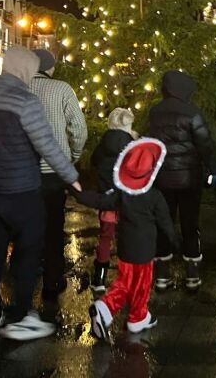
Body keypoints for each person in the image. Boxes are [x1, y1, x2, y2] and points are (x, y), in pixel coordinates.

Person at [0, 45, 82, 342]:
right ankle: (20, 315)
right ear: (23, 69)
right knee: (30, 251)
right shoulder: (24, 100)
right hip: (23, 189)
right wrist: (72, 176)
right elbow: (46, 145)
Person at [79, 137, 177, 341]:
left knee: (125, 281)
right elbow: (165, 222)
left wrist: (76, 192)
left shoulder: (121, 194)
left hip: (125, 247)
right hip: (144, 250)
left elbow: (100, 200)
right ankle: (137, 316)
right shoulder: (155, 196)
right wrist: (174, 240)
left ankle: (105, 309)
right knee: (141, 285)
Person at [149, 70, 216, 291]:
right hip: (189, 178)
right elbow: (205, 145)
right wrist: (212, 168)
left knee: (164, 222)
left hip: (162, 178)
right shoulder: (192, 113)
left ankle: (162, 274)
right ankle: (192, 274)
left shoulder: (155, 112)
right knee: (190, 223)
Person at [29, 49, 89, 299]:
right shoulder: (62, 89)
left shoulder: (19, 87)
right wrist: (72, 157)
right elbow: (78, 129)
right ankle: (52, 280)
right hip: (54, 171)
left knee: (26, 225)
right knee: (54, 226)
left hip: (23, 170)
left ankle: (26, 276)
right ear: (51, 68)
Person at [90, 107, 136, 293]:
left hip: (107, 199)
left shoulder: (103, 145)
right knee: (129, 236)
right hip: (127, 200)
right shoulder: (132, 146)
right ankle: (129, 279)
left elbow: (94, 161)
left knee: (105, 237)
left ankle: (99, 279)